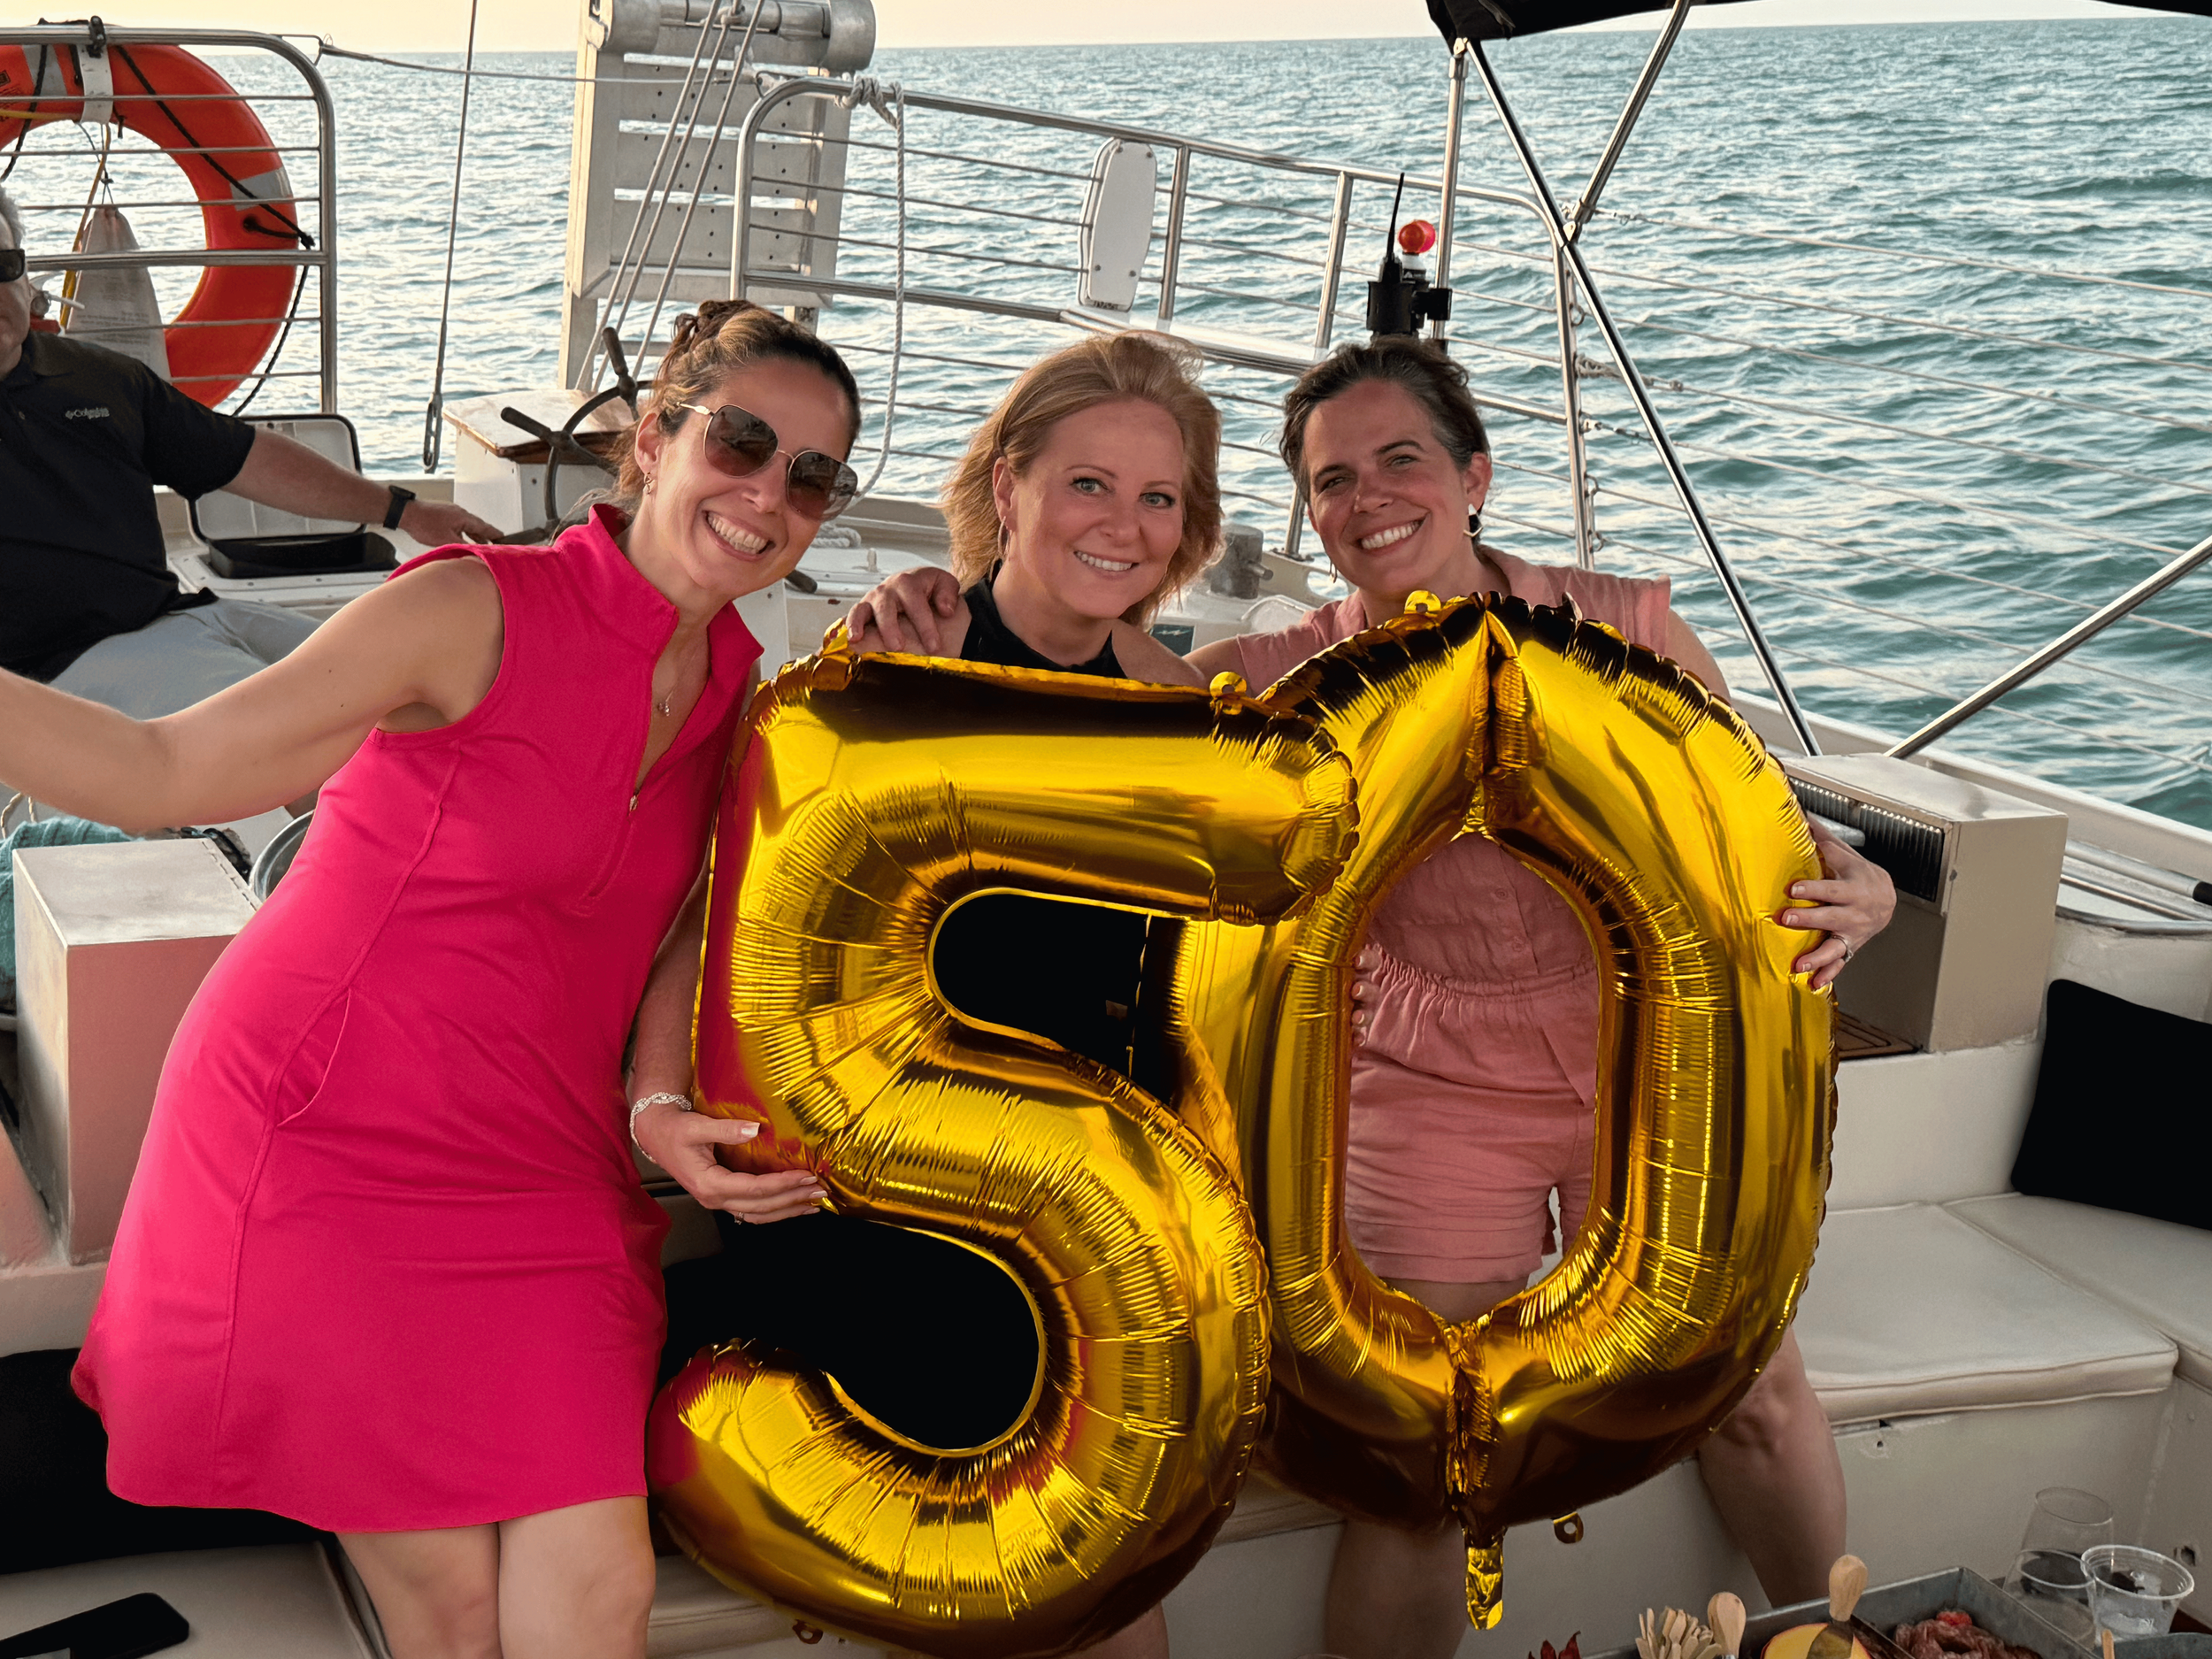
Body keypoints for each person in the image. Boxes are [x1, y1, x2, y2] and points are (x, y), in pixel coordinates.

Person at [847, 335, 1895, 1657]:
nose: (1368, 498)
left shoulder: (1622, 625)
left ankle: (1839, 1641)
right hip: (1422, 1067)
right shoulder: (1277, 674)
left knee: (1752, 1389)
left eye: (1402, 460)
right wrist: (918, 607)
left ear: (1475, 476)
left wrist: (1861, 881)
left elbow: (1755, 817)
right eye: (1333, 479)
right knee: (1421, 1447)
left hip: (1639, 1051)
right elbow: (1085, 667)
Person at [0, 298, 856, 1659]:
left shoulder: (748, 695)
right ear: (653, 439)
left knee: (599, 1594)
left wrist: (654, 1099)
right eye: (741, 442)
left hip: (543, 1160)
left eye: (813, 476)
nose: (768, 494)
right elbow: (164, 770)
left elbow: (684, 919)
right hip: (323, 1131)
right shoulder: (472, 606)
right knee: (450, 1609)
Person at [0, 184, 501, 721]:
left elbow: (245, 458)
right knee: (313, 723)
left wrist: (406, 511)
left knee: (413, 681)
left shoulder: (101, 378)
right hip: (56, 672)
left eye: (3, 265)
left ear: (27, 279)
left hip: (178, 616)